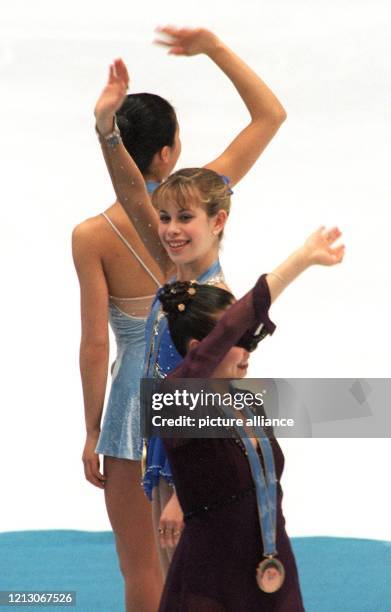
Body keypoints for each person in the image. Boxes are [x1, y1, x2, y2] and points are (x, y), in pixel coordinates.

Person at [74, 25, 287, 610]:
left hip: (202, 457)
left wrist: (178, 489)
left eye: (181, 219)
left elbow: (216, 395)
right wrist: (105, 132)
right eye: (161, 219)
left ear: (217, 219)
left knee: (201, 584)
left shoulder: (212, 303)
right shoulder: (173, 277)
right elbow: (136, 197)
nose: (165, 228)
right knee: (177, 584)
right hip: (171, 453)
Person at [155, 225, 345, 611]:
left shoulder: (249, 402)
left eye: (250, 341)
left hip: (272, 567)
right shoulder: (175, 397)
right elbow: (234, 322)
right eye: (238, 342)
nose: (248, 350)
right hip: (213, 578)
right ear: (199, 349)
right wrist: (301, 259)